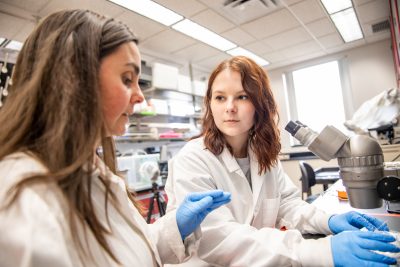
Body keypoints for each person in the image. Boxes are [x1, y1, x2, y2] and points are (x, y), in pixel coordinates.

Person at [0, 9, 231, 267]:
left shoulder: (93, 172)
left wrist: (174, 227)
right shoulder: (23, 202)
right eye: (126, 79)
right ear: (73, 80)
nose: (140, 96)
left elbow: (127, 254)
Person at [165, 55, 400, 266]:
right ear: (210, 104)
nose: (229, 108)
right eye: (219, 97)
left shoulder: (262, 154)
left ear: (260, 104)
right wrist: (320, 251)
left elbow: (288, 205)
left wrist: (329, 220)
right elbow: (219, 239)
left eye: (242, 96)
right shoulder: (192, 159)